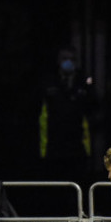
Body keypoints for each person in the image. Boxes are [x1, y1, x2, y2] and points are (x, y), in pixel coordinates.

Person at [38, 45, 93, 183]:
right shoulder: (49, 81)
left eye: (72, 59)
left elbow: (94, 107)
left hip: (77, 146)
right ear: (58, 60)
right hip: (53, 146)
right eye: (64, 58)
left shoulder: (83, 82)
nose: (68, 62)